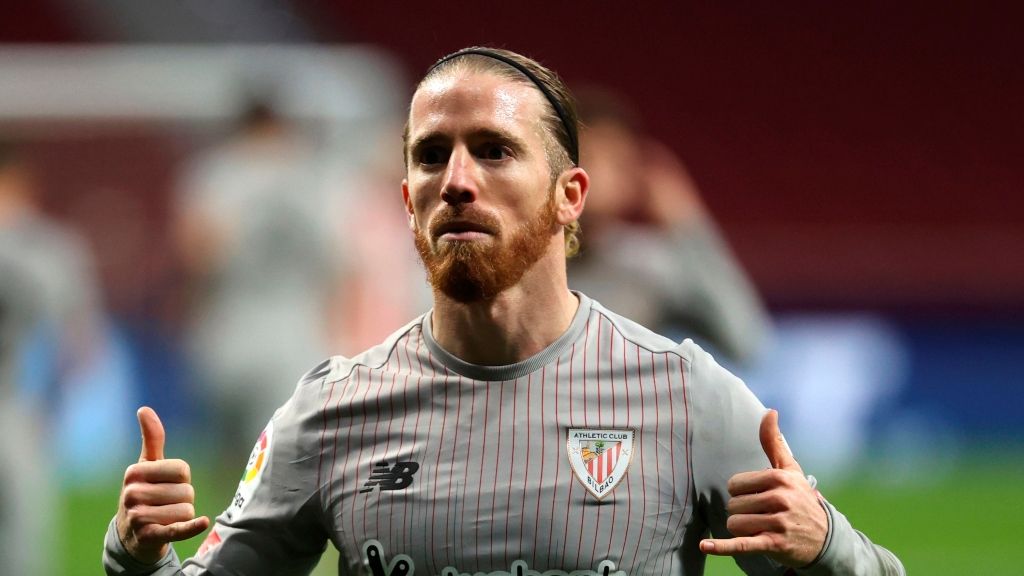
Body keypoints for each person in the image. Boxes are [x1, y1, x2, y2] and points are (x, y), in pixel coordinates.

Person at [104, 47, 905, 575]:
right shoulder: (331, 411)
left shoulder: (687, 396)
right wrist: (133, 556)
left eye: (493, 150)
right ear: (407, 200)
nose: (456, 180)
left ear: (569, 196)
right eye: (431, 155)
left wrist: (828, 546)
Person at [571, 87, 770, 365]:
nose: (598, 176)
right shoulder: (526, 255)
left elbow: (746, 340)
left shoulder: (650, 264)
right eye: (590, 157)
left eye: (617, 162)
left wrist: (687, 223)